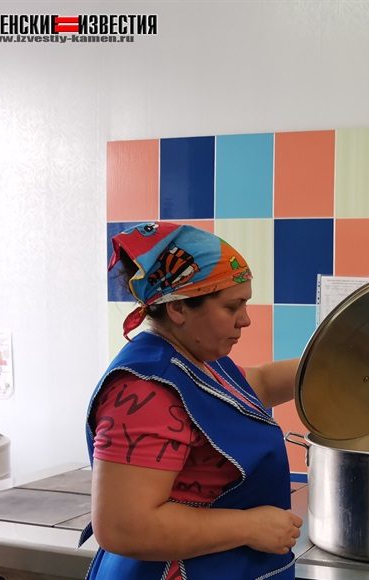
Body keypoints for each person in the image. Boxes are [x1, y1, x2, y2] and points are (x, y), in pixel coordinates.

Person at [83, 221, 302, 580]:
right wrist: (250, 526)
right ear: (179, 309)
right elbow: (123, 527)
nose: (245, 320)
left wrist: (335, 362)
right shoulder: (146, 390)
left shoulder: (197, 361)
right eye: (232, 307)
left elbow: (258, 384)